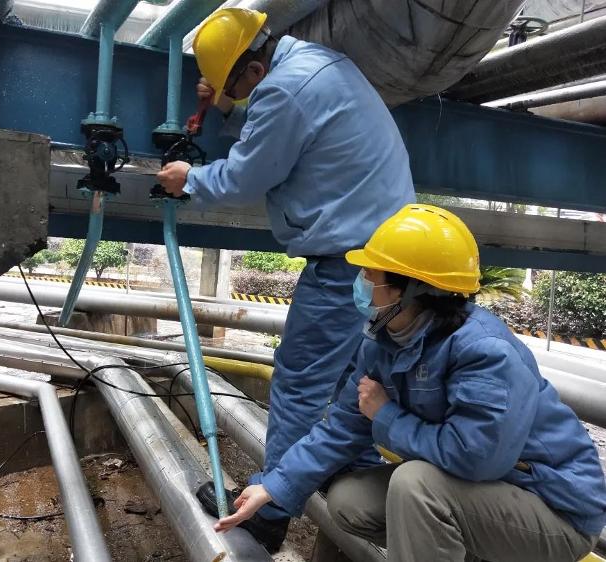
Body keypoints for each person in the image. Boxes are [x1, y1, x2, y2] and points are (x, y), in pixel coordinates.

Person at [213, 203, 606, 561]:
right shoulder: (383, 341)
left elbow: (476, 458)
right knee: (349, 499)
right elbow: (342, 428)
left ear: (410, 287)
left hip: (552, 505)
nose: (361, 282)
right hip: (481, 491)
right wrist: (273, 488)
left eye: (370, 275)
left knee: (415, 485)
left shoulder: (484, 352)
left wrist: (386, 415)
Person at [156, 8, 415, 550]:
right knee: (355, 382)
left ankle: (270, 512)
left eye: (235, 86)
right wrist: (226, 105)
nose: (237, 96)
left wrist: (189, 179)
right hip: (384, 257)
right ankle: (360, 481)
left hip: (346, 262)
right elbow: (279, 135)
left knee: (300, 381)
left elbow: (247, 174)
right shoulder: (316, 65)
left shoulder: (283, 91)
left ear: (254, 70)